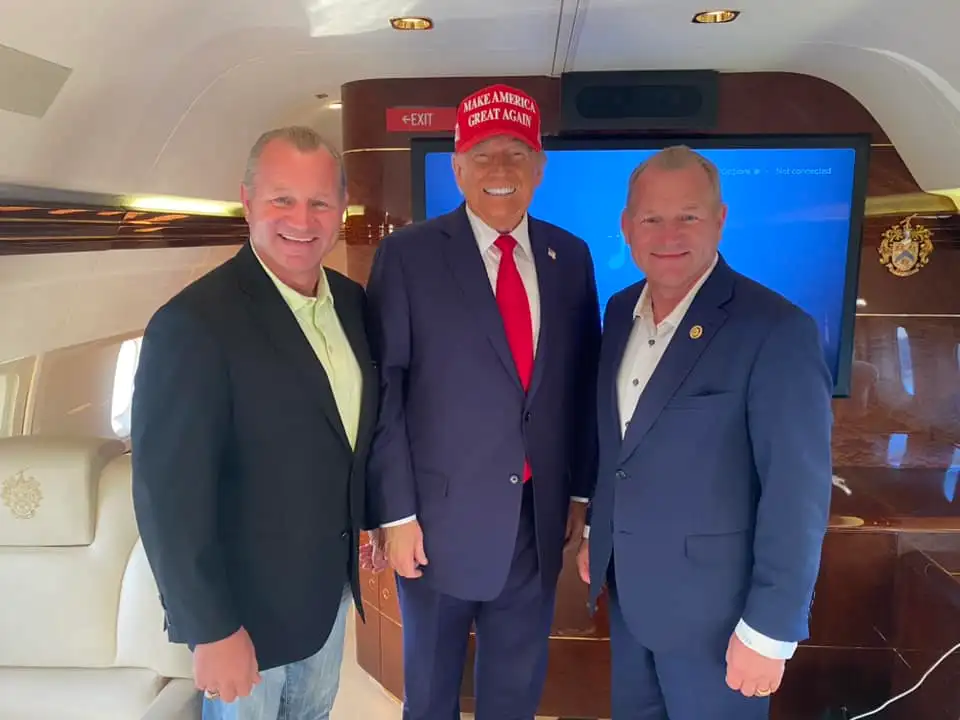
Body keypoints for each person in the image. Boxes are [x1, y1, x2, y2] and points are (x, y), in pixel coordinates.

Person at [364, 83, 601, 720]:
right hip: (434, 525)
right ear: (458, 167)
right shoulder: (409, 256)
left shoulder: (569, 257)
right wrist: (395, 514)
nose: (502, 170)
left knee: (515, 690)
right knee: (432, 691)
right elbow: (385, 390)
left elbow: (581, 385)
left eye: (518, 154)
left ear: (541, 168)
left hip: (536, 517)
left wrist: (579, 492)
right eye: (485, 154)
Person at [131, 126, 380, 720]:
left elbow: (339, 434)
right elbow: (168, 496)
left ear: (339, 210)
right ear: (246, 202)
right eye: (282, 200)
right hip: (244, 618)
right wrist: (210, 630)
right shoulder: (193, 324)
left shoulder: (350, 302)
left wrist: (367, 517)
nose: (302, 219)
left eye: (319, 202)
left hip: (326, 597)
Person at [577, 145, 833, 719]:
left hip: (720, 623)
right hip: (630, 600)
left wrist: (770, 631)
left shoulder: (775, 330)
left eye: (688, 215)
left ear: (719, 219)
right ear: (626, 226)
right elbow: (621, 445)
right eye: (651, 218)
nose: (669, 233)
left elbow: (797, 494)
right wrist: (601, 528)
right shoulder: (620, 311)